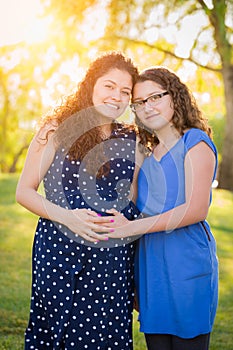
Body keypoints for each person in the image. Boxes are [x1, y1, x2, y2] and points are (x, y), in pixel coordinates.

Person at [16, 51, 141, 350]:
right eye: (109, 86)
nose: (117, 96)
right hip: (59, 250)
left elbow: (133, 201)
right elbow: (24, 191)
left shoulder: (133, 138)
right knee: (57, 333)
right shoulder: (56, 128)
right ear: (91, 85)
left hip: (112, 259)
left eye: (125, 91)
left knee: (106, 336)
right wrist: (68, 217)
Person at [104, 67, 219, 350]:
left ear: (174, 97)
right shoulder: (144, 152)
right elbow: (133, 204)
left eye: (155, 97)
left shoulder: (195, 141)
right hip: (150, 266)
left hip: (186, 261)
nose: (147, 106)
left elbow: (195, 209)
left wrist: (131, 228)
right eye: (140, 102)